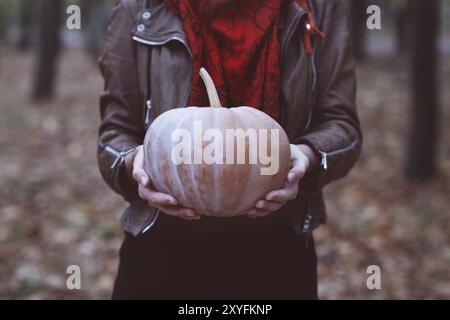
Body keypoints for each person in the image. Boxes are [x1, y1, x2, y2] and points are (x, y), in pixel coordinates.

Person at [98, 0, 362, 300]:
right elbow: (112, 135)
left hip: (277, 251)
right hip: (161, 248)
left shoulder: (317, 6)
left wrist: (308, 156)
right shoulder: (139, 6)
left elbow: (343, 127)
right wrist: (135, 162)